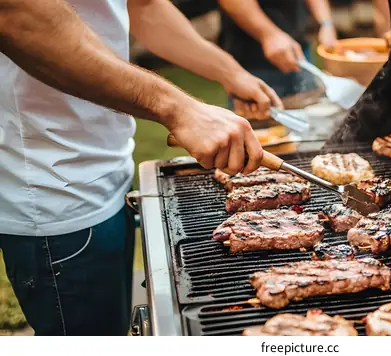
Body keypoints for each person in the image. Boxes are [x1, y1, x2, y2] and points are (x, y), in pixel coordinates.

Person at [0, 0, 282, 336]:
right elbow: (17, 15)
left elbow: (142, 6)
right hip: (54, 185)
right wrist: (179, 108)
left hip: (106, 169)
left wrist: (229, 71)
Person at [217, 0, 337, 103]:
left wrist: (326, 23)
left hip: (300, 51)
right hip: (253, 61)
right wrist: (268, 34)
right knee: (260, 123)